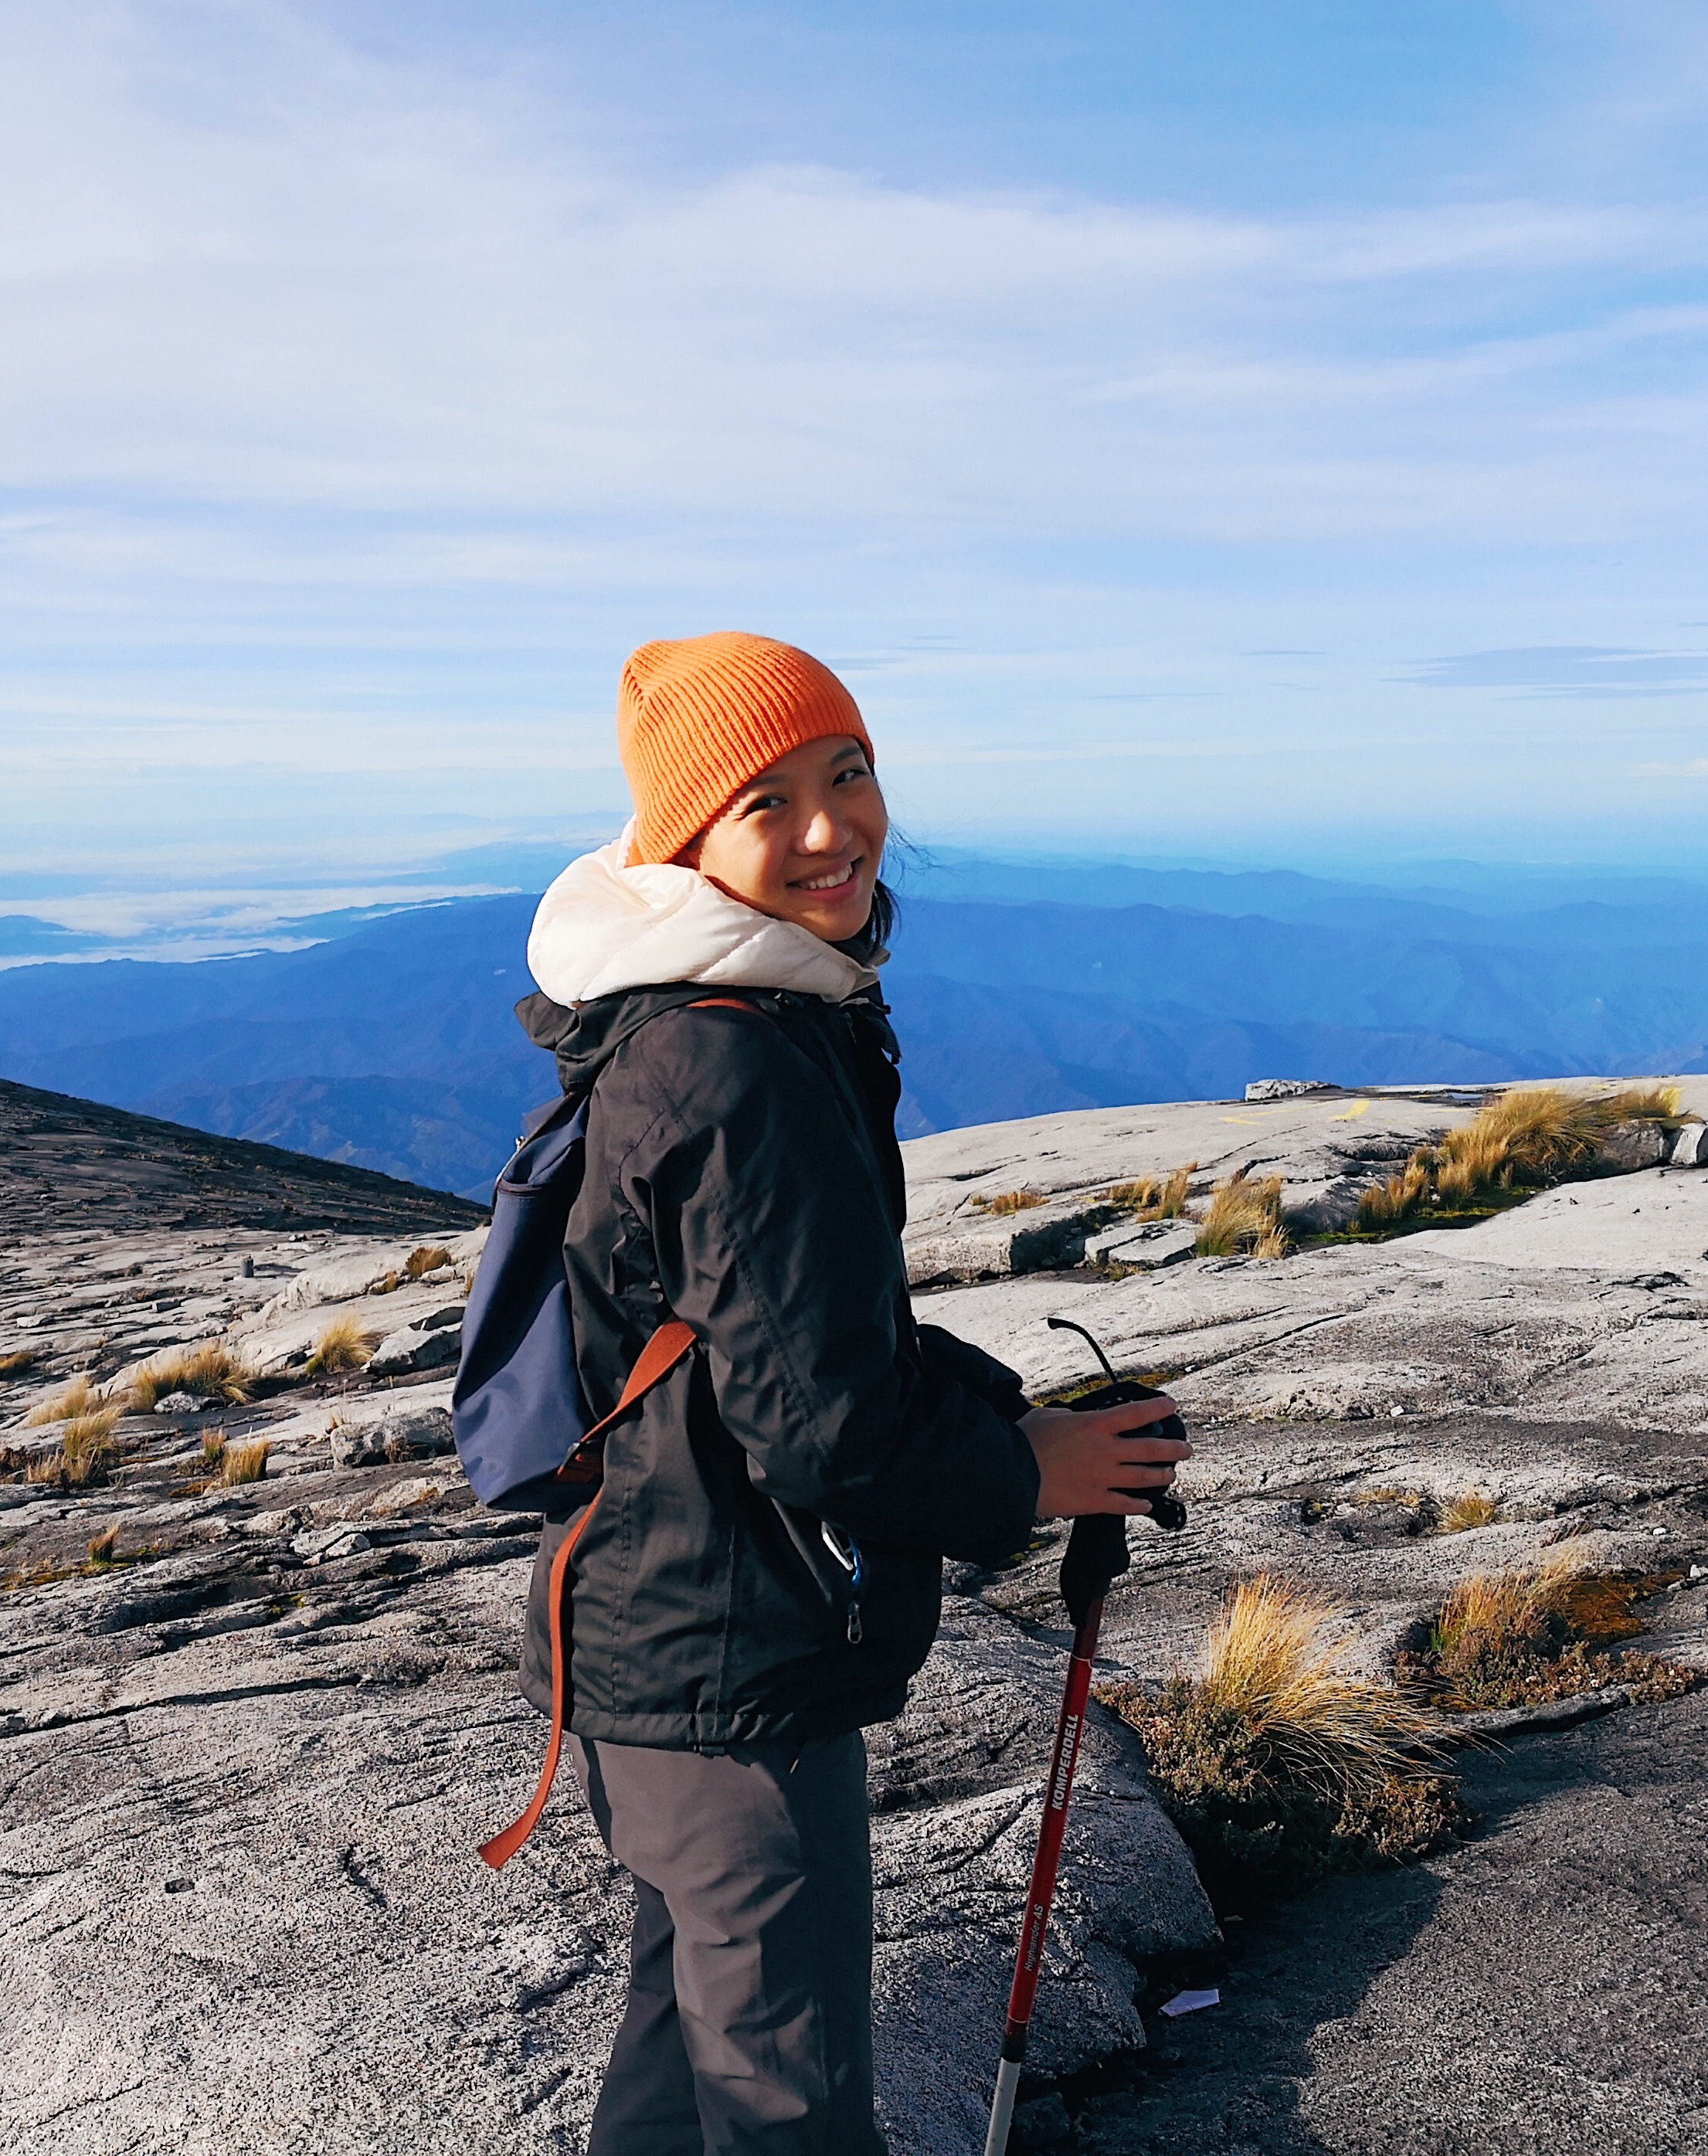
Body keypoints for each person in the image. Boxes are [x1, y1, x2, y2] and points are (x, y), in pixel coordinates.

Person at [511, 632, 1195, 2154]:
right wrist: (1028, 1478)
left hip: (650, 1638)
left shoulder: (707, 1017)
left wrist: (1013, 1420)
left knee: (680, 2070)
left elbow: (797, 1335)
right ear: (690, 838)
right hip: (727, 1665)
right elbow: (821, 1428)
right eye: (766, 800)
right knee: (783, 2102)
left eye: (850, 770)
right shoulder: (737, 1061)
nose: (831, 828)